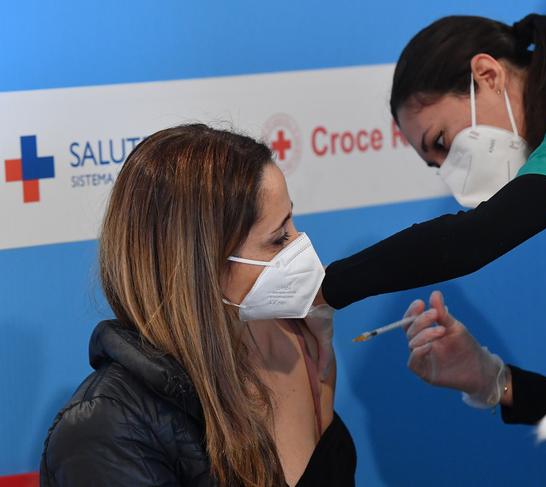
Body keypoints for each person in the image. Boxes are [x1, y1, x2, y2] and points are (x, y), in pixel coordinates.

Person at [315, 14, 546, 423]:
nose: (451, 172)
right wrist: (494, 380)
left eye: (441, 142)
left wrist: (320, 288)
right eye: (435, 165)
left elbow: (471, 240)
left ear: (488, 75)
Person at [40, 124, 356, 487]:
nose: (301, 248)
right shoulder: (104, 431)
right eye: (279, 238)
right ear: (201, 268)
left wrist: (322, 397)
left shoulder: (286, 341)